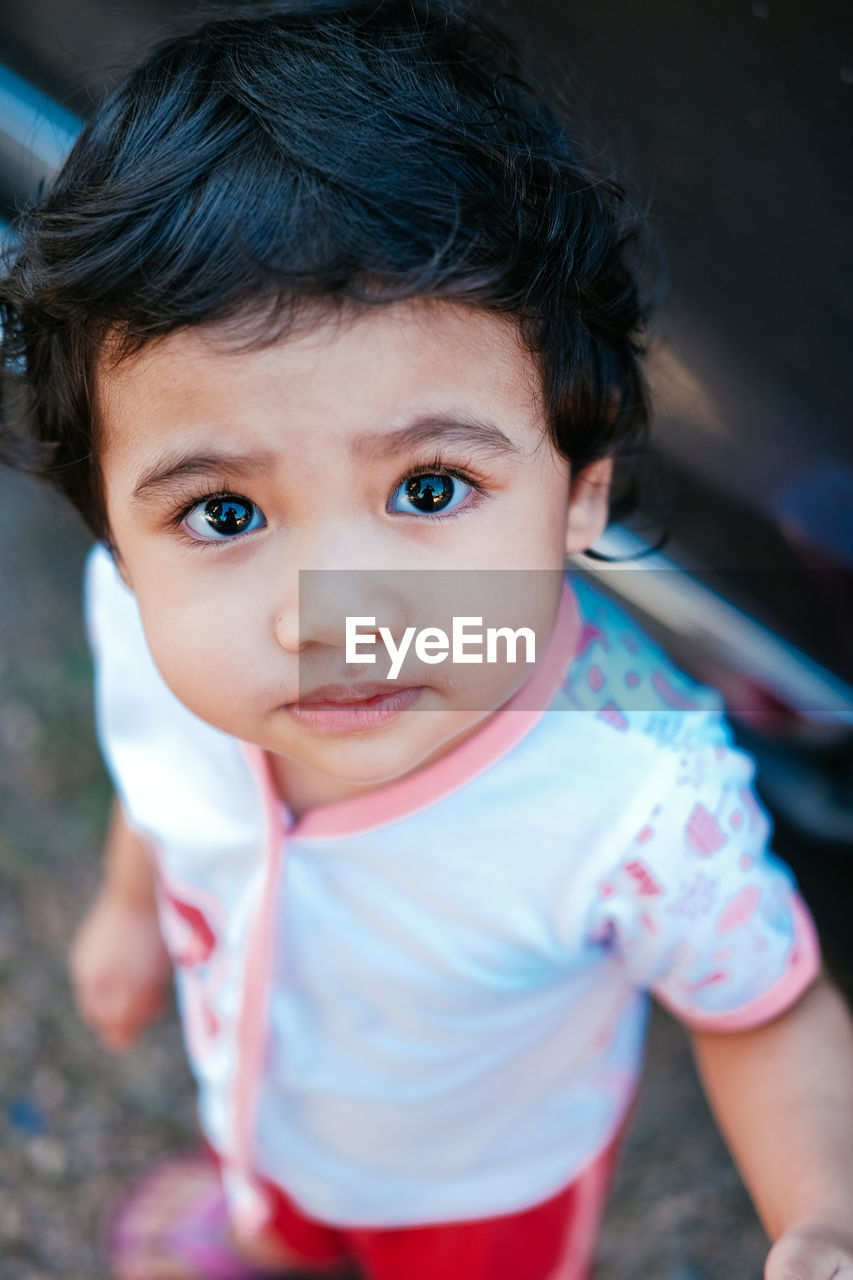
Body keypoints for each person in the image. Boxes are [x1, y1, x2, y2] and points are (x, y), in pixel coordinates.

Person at [2, 2, 853, 1278]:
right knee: (268, 1209)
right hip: (260, 1093)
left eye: (430, 487)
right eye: (224, 511)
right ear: (118, 533)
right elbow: (159, 777)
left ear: (578, 488)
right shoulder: (143, 624)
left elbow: (765, 1007)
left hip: (481, 1203)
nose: (334, 612)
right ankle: (269, 1234)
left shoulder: (637, 795)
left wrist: (821, 1215)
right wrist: (130, 912)